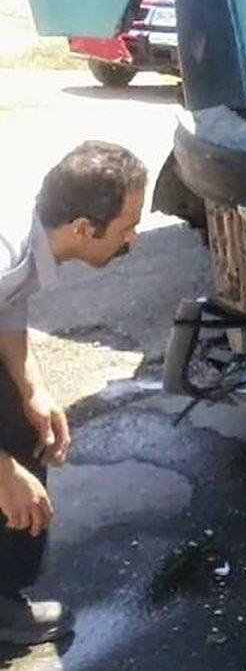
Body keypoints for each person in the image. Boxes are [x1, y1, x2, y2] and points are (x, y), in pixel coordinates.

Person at [0, 141, 146, 645]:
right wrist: (2, 473)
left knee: (22, 423)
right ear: (84, 228)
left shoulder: (32, 235)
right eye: (127, 226)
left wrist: (33, 388)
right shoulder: (6, 250)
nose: (134, 238)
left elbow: (6, 309)